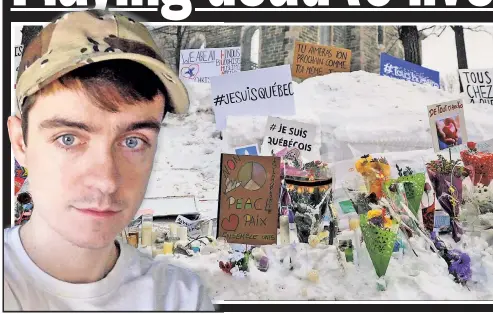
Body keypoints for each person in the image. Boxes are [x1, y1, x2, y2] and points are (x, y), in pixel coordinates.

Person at [4, 10, 215, 311]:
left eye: (133, 142)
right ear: (20, 142)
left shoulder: (180, 299)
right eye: (69, 139)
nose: (106, 180)